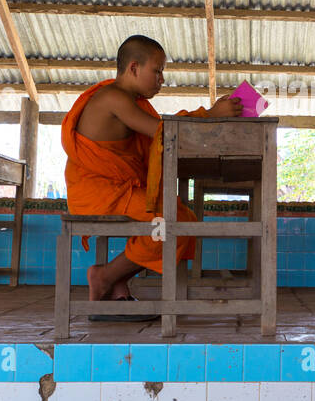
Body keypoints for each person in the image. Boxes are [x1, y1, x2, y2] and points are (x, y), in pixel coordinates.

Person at [61, 35, 241, 312]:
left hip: (117, 190)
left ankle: (116, 279)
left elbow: (158, 134)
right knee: (176, 221)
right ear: (133, 68)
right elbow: (165, 134)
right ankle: (105, 276)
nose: (162, 79)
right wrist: (209, 113)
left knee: (182, 219)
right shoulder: (112, 98)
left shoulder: (126, 99)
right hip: (100, 193)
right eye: (157, 71)